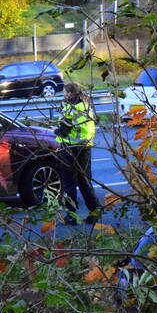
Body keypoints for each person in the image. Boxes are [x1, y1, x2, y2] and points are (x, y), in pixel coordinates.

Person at [56, 82, 99, 225]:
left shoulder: (71, 108)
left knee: (69, 183)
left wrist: (56, 131)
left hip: (70, 147)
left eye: (66, 93)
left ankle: (71, 216)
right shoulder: (86, 104)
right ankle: (95, 212)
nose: (64, 95)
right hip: (85, 147)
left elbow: (64, 129)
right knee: (84, 181)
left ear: (71, 94)